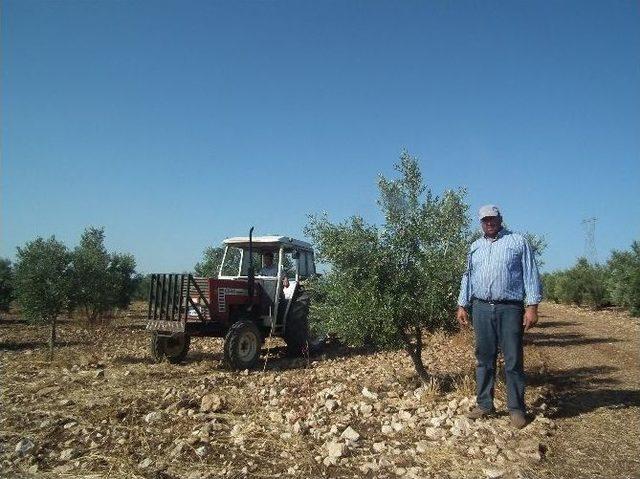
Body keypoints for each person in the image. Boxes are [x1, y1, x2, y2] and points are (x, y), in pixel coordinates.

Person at [457, 204, 542, 429]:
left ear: (500, 218)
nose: (489, 222)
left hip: (510, 308)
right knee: (484, 358)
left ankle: (516, 409)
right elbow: (467, 276)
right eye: (485, 220)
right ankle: (485, 404)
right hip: (481, 307)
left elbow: (530, 273)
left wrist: (532, 306)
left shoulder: (518, 242)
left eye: (492, 218)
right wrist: (462, 304)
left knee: (513, 359)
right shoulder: (475, 247)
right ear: (481, 222)